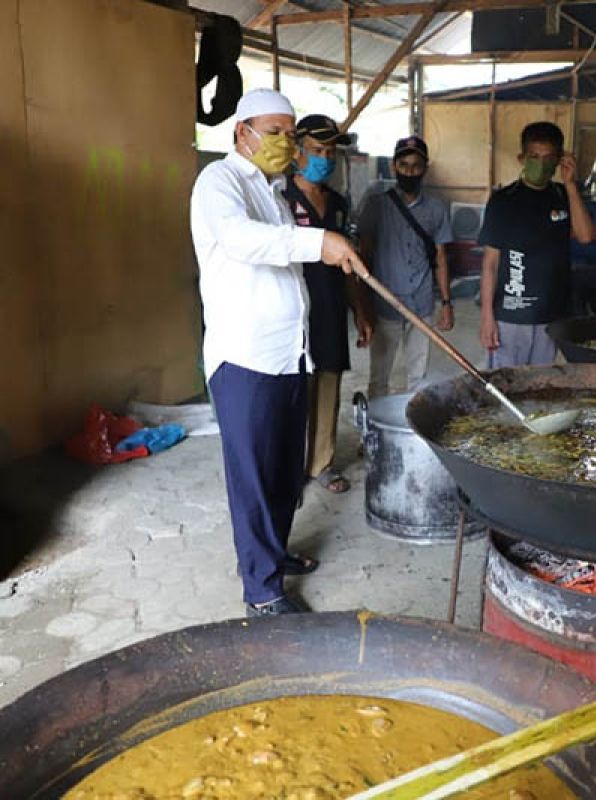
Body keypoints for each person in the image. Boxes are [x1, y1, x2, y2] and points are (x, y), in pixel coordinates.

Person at [190, 89, 366, 618]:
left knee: (285, 472)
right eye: (274, 132)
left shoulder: (269, 189)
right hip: (245, 360)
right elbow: (244, 241)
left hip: (289, 355)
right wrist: (320, 243)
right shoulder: (218, 184)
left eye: (290, 133)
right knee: (254, 477)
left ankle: (272, 553)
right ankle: (262, 592)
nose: (285, 143)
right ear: (240, 133)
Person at [283, 114, 374, 495]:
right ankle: (289, 465)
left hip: (331, 308)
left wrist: (361, 312)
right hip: (291, 313)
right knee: (292, 389)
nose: (324, 158)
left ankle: (321, 463)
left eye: (330, 152)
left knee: (328, 387)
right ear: (297, 152)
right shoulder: (281, 197)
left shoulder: (337, 203)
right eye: (317, 150)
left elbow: (349, 265)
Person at [478, 121, 593, 367]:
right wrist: (487, 316)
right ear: (522, 158)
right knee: (506, 387)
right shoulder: (503, 201)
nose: (540, 164)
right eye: (534, 156)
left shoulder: (564, 196)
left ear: (560, 160)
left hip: (550, 315)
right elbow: (490, 263)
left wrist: (571, 185)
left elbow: (585, 236)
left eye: (548, 157)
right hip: (510, 315)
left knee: (539, 387)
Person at [357, 135, 454, 398]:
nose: (410, 171)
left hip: (421, 305)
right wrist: (362, 307)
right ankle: (376, 433)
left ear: (426, 169)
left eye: (416, 166)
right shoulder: (376, 205)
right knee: (379, 377)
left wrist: (446, 303)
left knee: (419, 378)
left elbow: (441, 257)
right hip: (385, 304)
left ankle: (412, 435)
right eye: (404, 165)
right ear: (393, 167)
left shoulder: (436, 209)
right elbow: (363, 256)